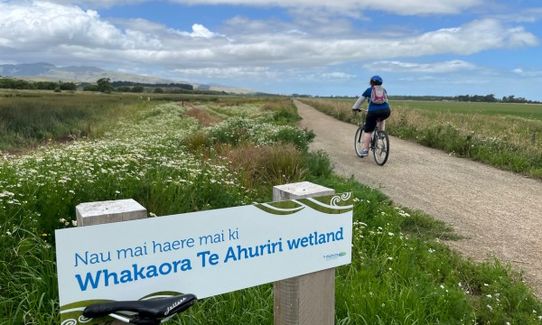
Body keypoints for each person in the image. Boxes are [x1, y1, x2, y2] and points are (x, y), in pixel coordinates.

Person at [352, 75, 391, 157]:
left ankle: (365, 150)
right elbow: (387, 101)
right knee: (381, 118)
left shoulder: (369, 90)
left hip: (373, 112)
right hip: (386, 111)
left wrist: (355, 108)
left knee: (368, 130)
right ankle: (381, 133)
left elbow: (360, 101)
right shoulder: (384, 90)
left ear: (371, 82)